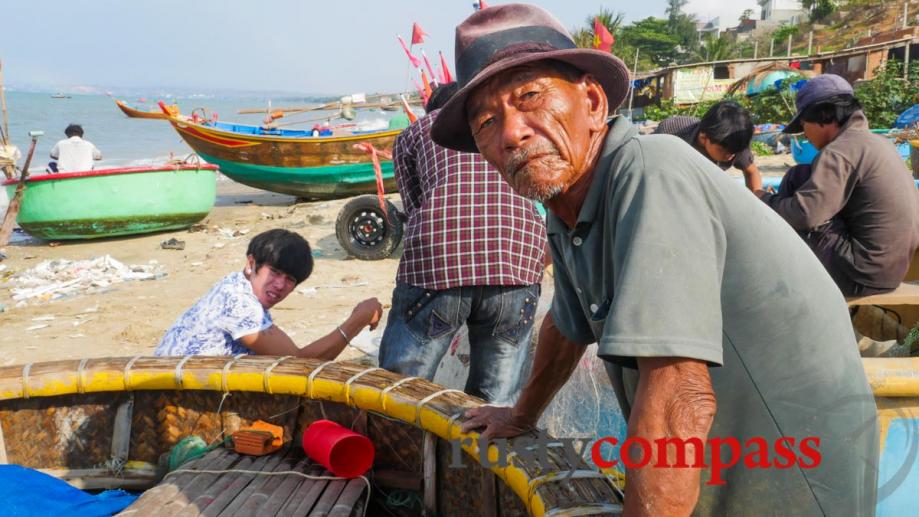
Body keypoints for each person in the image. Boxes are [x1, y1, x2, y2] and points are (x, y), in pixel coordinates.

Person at [429, 5, 877, 516]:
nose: (512, 133)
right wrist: (521, 415)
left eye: (530, 97)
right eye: (487, 122)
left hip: (789, 464)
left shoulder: (650, 168)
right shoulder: (567, 201)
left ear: (593, 102)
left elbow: (677, 392)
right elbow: (567, 324)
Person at [379, 82, 546, 405]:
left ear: (435, 110)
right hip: (518, 261)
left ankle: (398, 448)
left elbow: (414, 208)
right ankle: (482, 453)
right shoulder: (509, 124)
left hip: (440, 263)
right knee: (496, 399)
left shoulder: (417, 132)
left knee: (403, 389)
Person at [756, 74, 919, 297]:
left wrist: (764, 199)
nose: (804, 133)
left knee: (792, 212)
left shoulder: (840, 152)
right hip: (893, 270)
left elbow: (805, 215)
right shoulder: (878, 143)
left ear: (823, 116)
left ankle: (774, 275)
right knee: (800, 174)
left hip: (859, 274)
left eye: (804, 124)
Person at [156, 229, 382, 358]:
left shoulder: (235, 285)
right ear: (251, 263)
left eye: (290, 279)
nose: (280, 285)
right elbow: (298, 365)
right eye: (274, 272)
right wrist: (357, 320)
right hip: (171, 400)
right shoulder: (238, 302)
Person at [653, 101, 763, 192]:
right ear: (703, 137)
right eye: (724, 151)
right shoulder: (672, 132)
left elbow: (751, 172)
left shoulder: (734, 144)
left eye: (734, 151)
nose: (730, 156)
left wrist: (758, 200)